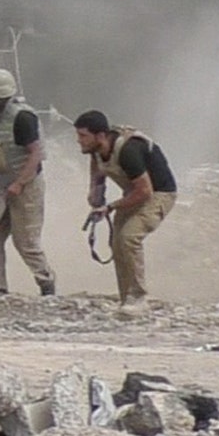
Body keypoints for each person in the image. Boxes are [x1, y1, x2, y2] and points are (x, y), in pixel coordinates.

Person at [73, 111, 176, 311]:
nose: (79, 141)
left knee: (129, 237)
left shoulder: (129, 150)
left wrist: (110, 207)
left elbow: (145, 191)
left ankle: (138, 297)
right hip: (133, 192)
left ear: (100, 135)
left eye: (83, 136)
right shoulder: (96, 150)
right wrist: (96, 196)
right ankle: (126, 298)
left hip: (158, 194)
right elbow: (98, 172)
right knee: (117, 242)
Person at [0, 69, 56, 296]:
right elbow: (5, 150)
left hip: (26, 186)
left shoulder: (23, 118)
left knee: (26, 242)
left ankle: (46, 282)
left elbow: (35, 154)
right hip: (2, 186)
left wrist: (20, 183)